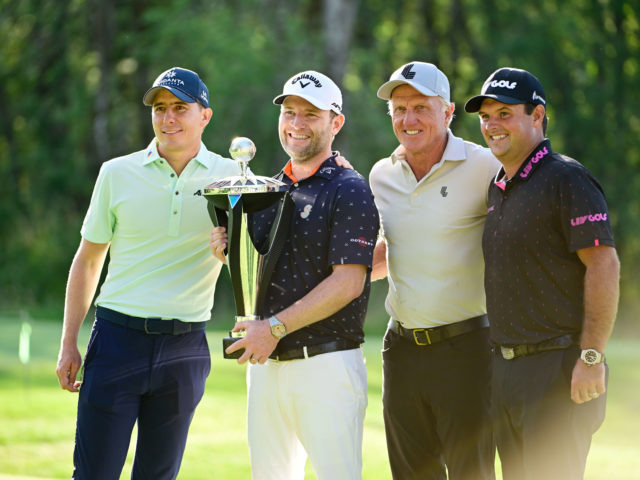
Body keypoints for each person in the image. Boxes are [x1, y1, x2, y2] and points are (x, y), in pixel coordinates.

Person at [55, 67, 242, 479]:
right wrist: (69, 342)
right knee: (93, 474)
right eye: (159, 108)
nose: (168, 118)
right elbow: (88, 260)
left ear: (204, 116)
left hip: (186, 347)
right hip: (117, 341)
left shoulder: (233, 178)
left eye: (180, 107)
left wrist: (231, 254)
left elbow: (249, 259)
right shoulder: (116, 172)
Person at [211, 70, 379, 480]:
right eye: (289, 113)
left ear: (335, 123)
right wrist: (230, 255)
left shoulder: (349, 188)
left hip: (326, 366)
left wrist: (273, 328)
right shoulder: (267, 188)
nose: (296, 124)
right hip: (267, 367)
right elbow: (263, 273)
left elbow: (348, 282)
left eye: (310, 114)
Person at [464, 67, 620, 480]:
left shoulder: (566, 178)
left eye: (504, 113)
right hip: (507, 371)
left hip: (558, 370)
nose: (492, 125)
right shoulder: (498, 186)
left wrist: (591, 358)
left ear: (537, 116)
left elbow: (604, 265)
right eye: (485, 117)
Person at [369, 61, 501, 479]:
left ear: (447, 113)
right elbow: (391, 249)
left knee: (470, 472)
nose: (409, 119)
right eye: (399, 108)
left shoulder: (485, 166)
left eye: (422, 107)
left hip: (468, 349)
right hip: (402, 351)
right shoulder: (381, 175)